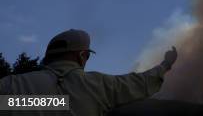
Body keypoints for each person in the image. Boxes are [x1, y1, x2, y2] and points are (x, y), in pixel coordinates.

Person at [0, 29, 177, 116]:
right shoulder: (97, 86)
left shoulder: (11, 85)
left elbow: (55, 102)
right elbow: (142, 83)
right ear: (82, 55)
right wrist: (166, 64)